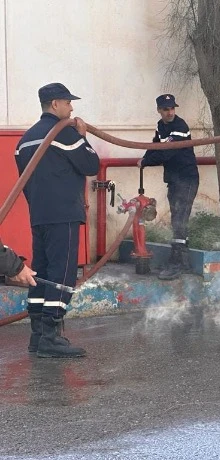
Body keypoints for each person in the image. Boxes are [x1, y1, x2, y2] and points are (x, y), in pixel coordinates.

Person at [15, 82, 100, 358]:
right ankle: (50, 337)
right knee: (62, 276)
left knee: (41, 275)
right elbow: (90, 165)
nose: (72, 107)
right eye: (67, 102)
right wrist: (83, 137)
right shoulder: (64, 134)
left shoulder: (24, 140)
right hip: (63, 214)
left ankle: (38, 336)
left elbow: (25, 182)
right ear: (55, 104)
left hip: (39, 216)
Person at [137, 94, 199, 280]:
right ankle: (183, 261)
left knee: (179, 219)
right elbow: (155, 145)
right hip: (174, 179)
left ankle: (178, 263)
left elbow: (166, 153)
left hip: (186, 179)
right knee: (177, 219)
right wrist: (145, 157)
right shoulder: (161, 126)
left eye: (172, 108)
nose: (170, 112)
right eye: (166, 109)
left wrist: (146, 161)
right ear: (159, 110)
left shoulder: (180, 127)